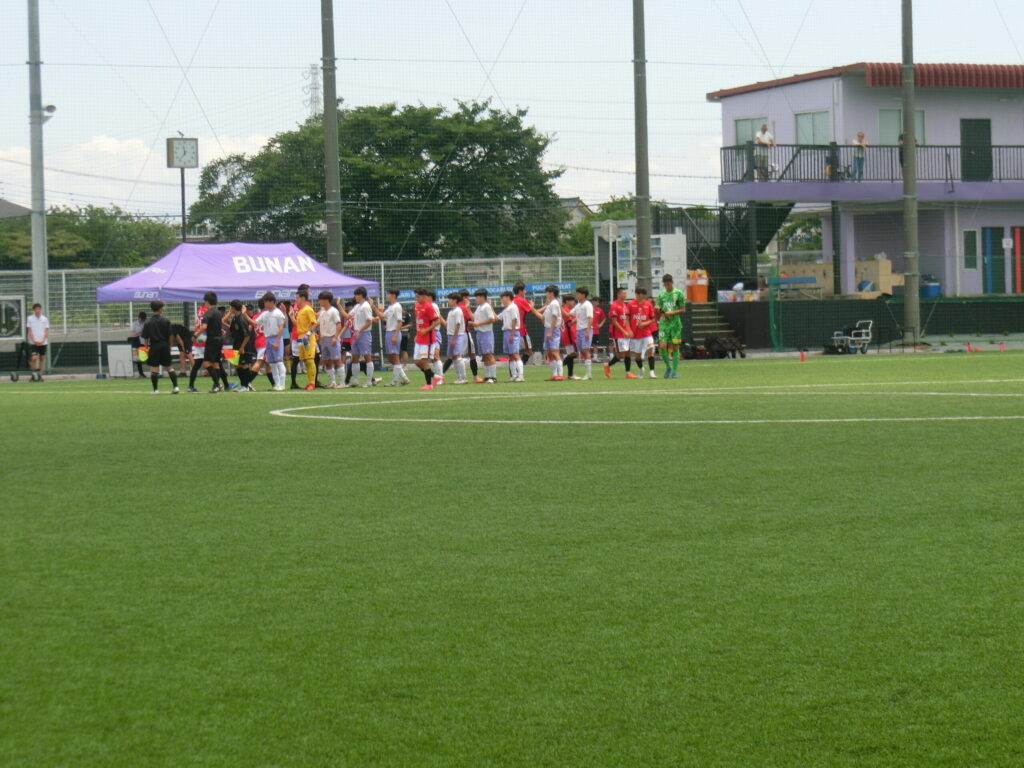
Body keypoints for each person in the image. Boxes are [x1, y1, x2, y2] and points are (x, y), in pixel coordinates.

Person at [140, 300, 183, 394]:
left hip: (154, 346)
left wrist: (146, 348)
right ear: (160, 309)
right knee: (169, 367)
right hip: (164, 345)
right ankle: (176, 387)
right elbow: (170, 335)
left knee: (154, 368)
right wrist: (170, 346)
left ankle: (155, 390)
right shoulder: (166, 321)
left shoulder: (148, 322)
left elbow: (145, 338)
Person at [193, 292, 229, 393]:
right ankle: (217, 385)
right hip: (219, 340)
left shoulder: (208, 313)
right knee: (216, 364)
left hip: (212, 340)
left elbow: (204, 327)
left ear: (207, 301)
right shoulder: (218, 313)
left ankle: (217, 385)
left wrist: (195, 335)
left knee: (206, 363)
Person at [254, 292, 288, 391]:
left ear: (271, 302)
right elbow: (255, 322)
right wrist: (245, 315)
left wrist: (277, 341)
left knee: (279, 362)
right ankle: (276, 384)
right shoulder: (265, 314)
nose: (264, 304)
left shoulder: (278, 313)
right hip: (268, 339)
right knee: (272, 363)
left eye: (266, 302)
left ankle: (282, 384)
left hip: (276, 337)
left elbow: (281, 327)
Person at [530, 284, 564, 381]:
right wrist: (532, 308)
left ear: (551, 293)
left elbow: (554, 317)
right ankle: (554, 374)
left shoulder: (554, 304)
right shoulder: (550, 304)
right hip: (548, 329)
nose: (546, 294)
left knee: (554, 352)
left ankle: (560, 375)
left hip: (553, 330)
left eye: (547, 292)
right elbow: (542, 317)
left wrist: (550, 331)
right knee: (549, 352)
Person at [656, 273, 687, 378]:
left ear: (672, 283)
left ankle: (674, 371)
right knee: (662, 346)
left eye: (668, 284)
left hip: (675, 325)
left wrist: (671, 313)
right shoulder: (661, 295)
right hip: (664, 324)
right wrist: (660, 311)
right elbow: (657, 307)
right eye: (665, 284)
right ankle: (667, 366)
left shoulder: (678, 293)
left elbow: (683, 309)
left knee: (675, 347)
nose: (667, 286)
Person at [377, 288, 410, 386]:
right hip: (388, 332)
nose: (387, 296)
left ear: (393, 295)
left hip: (393, 332)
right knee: (391, 358)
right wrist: (374, 307)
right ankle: (404, 378)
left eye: (388, 294)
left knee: (395, 357)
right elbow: (382, 316)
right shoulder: (390, 307)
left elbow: (400, 322)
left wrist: (395, 335)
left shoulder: (397, 306)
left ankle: (395, 381)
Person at [604, 286, 635, 378]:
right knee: (621, 355)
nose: (625, 295)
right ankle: (607, 365)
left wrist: (629, 330)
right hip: (618, 334)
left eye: (626, 293)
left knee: (628, 352)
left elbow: (627, 320)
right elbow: (614, 321)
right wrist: (623, 331)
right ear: (618, 294)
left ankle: (628, 373)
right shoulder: (614, 305)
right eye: (623, 293)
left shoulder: (625, 305)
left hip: (625, 333)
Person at [412, 288, 440, 390]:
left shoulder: (428, 307)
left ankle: (429, 384)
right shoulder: (416, 306)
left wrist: (426, 330)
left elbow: (437, 321)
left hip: (427, 340)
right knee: (417, 361)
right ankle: (435, 377)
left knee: (424, 361)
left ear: (424, 297)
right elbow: (419, 322)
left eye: (418, 297)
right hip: (419, 338)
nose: (417, 299)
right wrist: (417, 334)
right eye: (416, 297)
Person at [315, 291, 344, 388]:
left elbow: (338, 324)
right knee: (327, 361)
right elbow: (319, 324)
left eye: (320, 300)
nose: (319, 302)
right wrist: (319, 336)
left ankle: (342, 383)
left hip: (332, 337)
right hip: (324, 339)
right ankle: (332, 382)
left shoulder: (333, 311)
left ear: (326, 300)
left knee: (336, 359)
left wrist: (335, 337)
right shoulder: (322, 312)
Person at [347, 287, 375, 388]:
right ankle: (355, 380)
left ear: (361, 295)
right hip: (356, 333)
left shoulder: (366, 306)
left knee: (367, 356)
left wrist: (359, 331)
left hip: (364, 333)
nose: (355, 297)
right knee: (355, 357)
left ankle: (369, 381)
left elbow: (369, 322)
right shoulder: (357, 306)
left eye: (356, 295)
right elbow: (348, 316)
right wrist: (339, 305)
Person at [225, 300, 255, 391]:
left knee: (243, 365)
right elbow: (223, 322)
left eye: (231, 307)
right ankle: (245, 384)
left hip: (243, 345)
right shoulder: (235, 318)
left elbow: (247, 336)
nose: (230, 309)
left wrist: (242, 347)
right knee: (237, 365)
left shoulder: (241, 319)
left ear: (233, 308)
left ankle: (245, 385)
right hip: (236, 344)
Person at [471, 288, 499, 383]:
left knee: (489, 355)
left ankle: (493, 377)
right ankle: (487, 376)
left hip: (486, 333)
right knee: (484, 356)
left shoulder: (486, 306)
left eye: (477, 297)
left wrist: (479, 324)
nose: (476, 299)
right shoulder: (479, 307)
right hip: (479, 333)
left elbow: (492, 319)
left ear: (482, 297)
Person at [293, 289, 319, 390]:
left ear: (303, 298)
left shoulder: (308, 309)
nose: (296, 300)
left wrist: (308, 334)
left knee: (310, 360)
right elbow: (298, 325)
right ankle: (310, 382)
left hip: (307, 337)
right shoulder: (300, 311)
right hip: (300, 337)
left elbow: (314, 323)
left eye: (297, 298)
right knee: (305, 360)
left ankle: (312, 383)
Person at [630, 287, 658, 378]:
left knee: (650, 351)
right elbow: (627, 318)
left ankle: (652, 372)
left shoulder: (648, 304)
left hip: (647, 333)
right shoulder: (630, 304)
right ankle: (641, 369)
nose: (639, 296)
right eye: (637, 294)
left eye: (641, 295)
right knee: (637, 356)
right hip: (635, 334)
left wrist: (645, 323)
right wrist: (629, 330)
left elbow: (653, 319)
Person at [444, 291, 469, 384]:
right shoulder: (451, 311)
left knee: (457, 356)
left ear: (455, 300)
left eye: (450, 299)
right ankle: (459, 377)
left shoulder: (458, 311)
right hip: (451, 335)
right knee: (454, 356)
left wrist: (454, 339)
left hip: (457, 336)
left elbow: (458, 324)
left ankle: (463, 377)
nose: (448, 301)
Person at [499, 291, 524, 382]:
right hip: (506, 331)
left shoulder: (513, 307)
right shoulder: (506, 309)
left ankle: (520, 375)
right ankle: (513, 375)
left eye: (503, 298)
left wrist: (512, 334)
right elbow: (497, 317)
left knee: (515, 354)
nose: (502, 300)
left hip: (512, 331)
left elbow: (514, 320)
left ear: (508, 297)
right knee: (510, 355)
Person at [571, 286, 595, 380]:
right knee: (582, 351)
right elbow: (569, 314)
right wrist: (560, 307)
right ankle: (588, 374)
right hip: (579, 330)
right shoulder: (578, 305)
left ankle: (588, 374)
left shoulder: (587, 305)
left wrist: (588, 331)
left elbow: (590, 318)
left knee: (586, 350)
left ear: (583, 295)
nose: (577, 295)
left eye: (578, 294)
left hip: (585, 329)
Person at [512, 282, 534, 368]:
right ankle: (520, 366)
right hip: (521, 330)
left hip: (513, 330)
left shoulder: (512, 300)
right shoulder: (522, 300)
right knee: (528, 350)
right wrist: (532, 306)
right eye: (524, 290)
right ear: (520, 291)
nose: (525, 292)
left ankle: (516, 368)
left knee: (514, 352)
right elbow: (532, 311)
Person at [26, 303, 49, 381]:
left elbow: (46, 331)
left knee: (41, 358)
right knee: (34, 358)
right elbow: (29, 331)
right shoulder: (30, 318)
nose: (38, 310)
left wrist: (42, 340)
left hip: (43, 343)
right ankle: (34, 375)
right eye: (36, 309)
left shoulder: (44, 319)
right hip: (34, 343)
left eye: (39, 309)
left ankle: (40, 375)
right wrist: (34, 340)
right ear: (34, 310)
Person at [561, 295, 577, 380]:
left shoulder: (568, 310)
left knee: (573, 354)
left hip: (570, 335)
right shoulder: (566, 310)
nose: (574, 303)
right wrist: (578, 318)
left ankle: (570, 374)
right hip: (569, 335)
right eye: (572, 301)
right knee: (572, 354)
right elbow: (569, 323)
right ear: (567, 301)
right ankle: (560, 367)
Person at [129, 311, 147, 378]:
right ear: (139, 318)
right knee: (138, 359)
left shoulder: (146, 324)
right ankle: (141, 373)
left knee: (145, 357)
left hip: (144, 342)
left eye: (143, 320)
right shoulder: (134, 324)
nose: (142, 321)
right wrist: (140, 331)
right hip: (136, 342)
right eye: (141, 319)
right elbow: (133, 334)